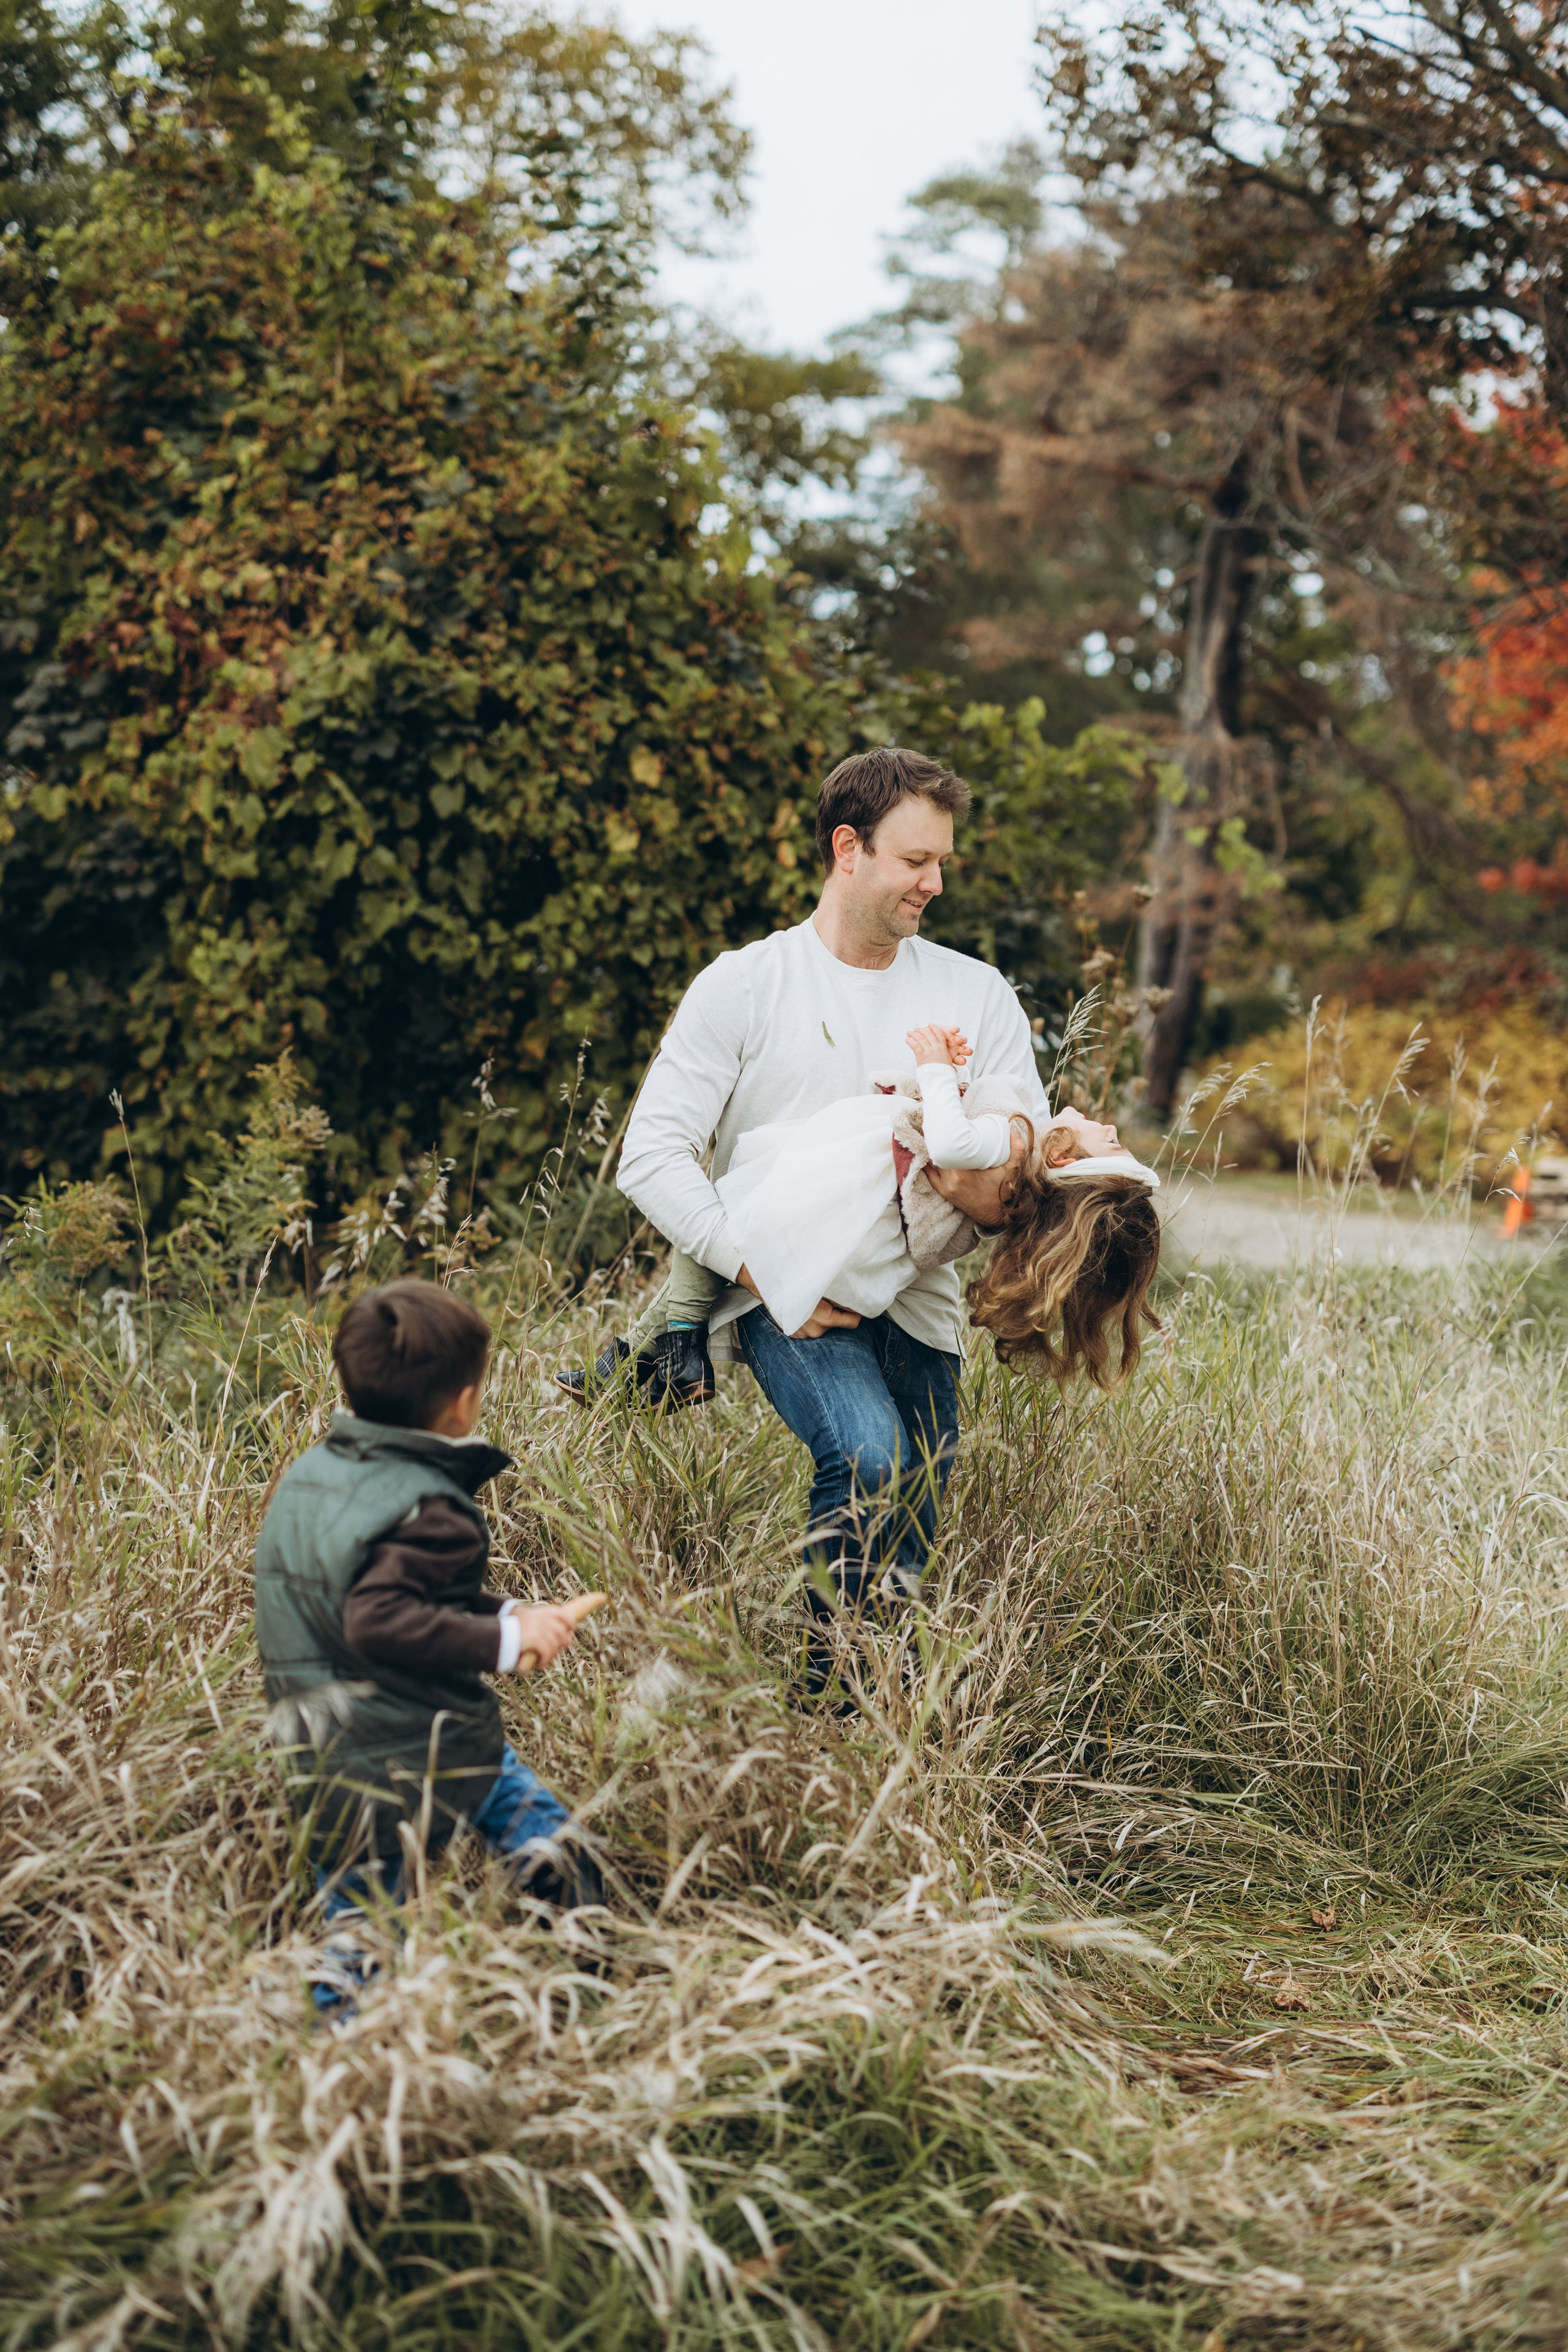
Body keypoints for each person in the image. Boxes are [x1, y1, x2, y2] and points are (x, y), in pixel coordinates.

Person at [562, 745, 1093, 1657]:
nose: (934, 883)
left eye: (941, 863)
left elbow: (1022, 1171)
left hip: (919, 1302)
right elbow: (651, 1154)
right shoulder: (747, 984)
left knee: (912, 1529)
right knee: (867, 1458)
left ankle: (865, 1723)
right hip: (784, 1291)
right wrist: (765, 1272)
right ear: (848, 849)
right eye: (914, 861)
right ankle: (823, 1698)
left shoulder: (977, 993)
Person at [255, 1280, 600, 2011]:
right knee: (551, 1848)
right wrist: (505, 1641)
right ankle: (582, 1984)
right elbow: (378, 1617)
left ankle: (335, 2074)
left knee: (359, 1922)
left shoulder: (318, 1475)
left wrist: (512, 1611)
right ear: (464, 1405)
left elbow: (375, 1589)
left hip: (323, 1753)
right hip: (422, 1743)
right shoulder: (431, 1506)